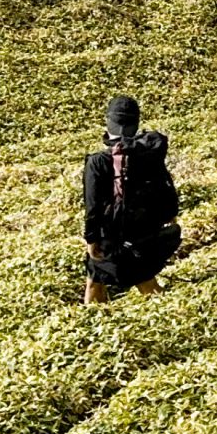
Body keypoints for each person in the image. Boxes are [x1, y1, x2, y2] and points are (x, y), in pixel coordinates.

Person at [82, 95, 181, 304]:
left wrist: (91, 239)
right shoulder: (149, 151)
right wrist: (171, 213)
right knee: (95, 277)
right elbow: (164, 182)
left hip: (116, 234)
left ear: (108, 122)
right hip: (148, 227)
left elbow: (93, 206)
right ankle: (90, 319)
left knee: (145, 282)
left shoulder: (98, 162)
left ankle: (170, 309)